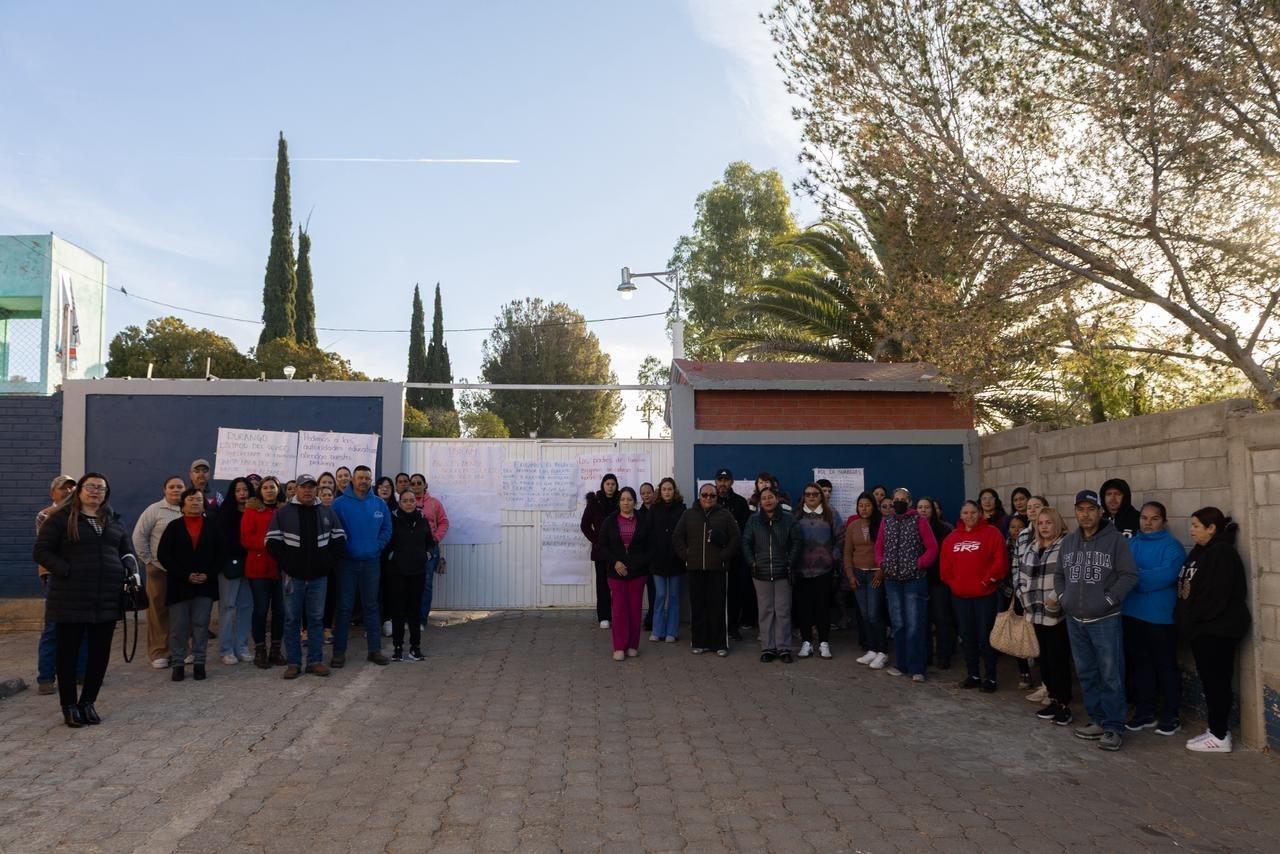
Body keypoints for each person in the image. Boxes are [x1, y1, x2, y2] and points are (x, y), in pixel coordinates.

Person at [32, 473, 133, 727]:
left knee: (99, 655)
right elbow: (41, 551)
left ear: (106, 493)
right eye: (90, 487)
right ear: (79, 491)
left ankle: (88, 702)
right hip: (70, 598)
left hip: (106, 598)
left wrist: (130, 568)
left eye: (101, 488)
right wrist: (67, 570)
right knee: (67, 654)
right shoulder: (61, 519)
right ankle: (69, 706)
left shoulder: (113, 520)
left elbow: (126, 550)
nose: (95, 491)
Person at [1056, 489, 1138, 752]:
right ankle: (1098, 720)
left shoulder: (1115, 540)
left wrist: (1108, 600)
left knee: (1111, 675)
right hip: (1075, 619)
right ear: (1075, 512)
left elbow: (1129, 575)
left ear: (1100, 512)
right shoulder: (1069, 542)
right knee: (1086, 673)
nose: (1086, 514)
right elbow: (1059, 574)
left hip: (1105, 620)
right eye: (1081, 509)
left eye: (1091, 509)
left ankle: (1114, 727)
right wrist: (1063, 597)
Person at [1177, 507, 1251, 753]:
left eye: (1196, 526)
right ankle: (1216, 730)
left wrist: (1194, 620)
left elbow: (1216, 596)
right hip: (1203, 630)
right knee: (1210, 682)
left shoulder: (1222, 553)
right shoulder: (1202, 550)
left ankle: (1220, 736)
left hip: (1217, 631)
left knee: (1217, 682)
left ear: (1211, 529)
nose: (1191, 530)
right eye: (1192, 525)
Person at [266, 474, 346, 679]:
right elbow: (271, 542)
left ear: (316, 489)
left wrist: (327, 562)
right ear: (297, 489)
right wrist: (287, 563)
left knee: (316, 619)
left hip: (319, 577)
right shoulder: (283, 513)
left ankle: (315, 661)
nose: (307, 491)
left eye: (311, 487)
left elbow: (340, 539)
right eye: (304, 487)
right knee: (292, 619)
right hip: (293, 577)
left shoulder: (326, 511)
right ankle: (293, 663)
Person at [1123, 501, 1187, 736]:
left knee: (1166, 667)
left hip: (1160, 618)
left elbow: (1165, 576)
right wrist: (1138, 577)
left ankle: (1171, 715)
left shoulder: (1173, 547)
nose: (1148, 523)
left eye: (1154, 518)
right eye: (1144, 518)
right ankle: (1145, 712)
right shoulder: (1131, 544)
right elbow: (1121, 573)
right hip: (1131, 614)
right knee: (1141, 666)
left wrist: (1135, 577)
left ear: (1164, 521)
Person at [1014, 507, 1074, 726]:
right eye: (1040, 523)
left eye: (1049, 522)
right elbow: (1020, 574)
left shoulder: (1066, 546)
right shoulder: (1032, 547)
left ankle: (1063, 704)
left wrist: (1054, 598)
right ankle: (1052, 698)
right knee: (1045, 661)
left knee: (1058, 660)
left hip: (1056, 614)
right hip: (1034, 612)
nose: (1044, 527)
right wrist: (1022, 594)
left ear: (1057, 523)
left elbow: (1069, 576)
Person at [941, 500, 1008, 692]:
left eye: (973, 512)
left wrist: (986, 581)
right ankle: (973, 674)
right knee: (967, 635)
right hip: (961, 597)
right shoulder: (951, 538)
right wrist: (955, 585)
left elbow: (1000, 562)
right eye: (965, 513)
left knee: (985, 636)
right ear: (960, 515)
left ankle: (991, 677)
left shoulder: (992, 533)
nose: (969, 516)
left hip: (985, 596)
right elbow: (945, 568)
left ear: (979, 513)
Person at [158, 488, 224, 682]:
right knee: (178, 626)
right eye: (191, 499)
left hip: (205, 584)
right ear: (183, 504)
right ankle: (178, 663)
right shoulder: (174, 526)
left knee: (201, 625)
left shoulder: (213, 526)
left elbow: (221, 554)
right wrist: (185, 575)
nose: (195, 502)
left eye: (199, 500)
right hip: (179, 584)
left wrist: (207, 574)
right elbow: (164, 555)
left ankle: (199, 663)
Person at [330, 465, 392, 667]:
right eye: (360, 478)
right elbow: (333, 531)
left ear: (370, 480)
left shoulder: (379, 504)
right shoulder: (338, 504)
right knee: (344, 608)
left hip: (371, 563)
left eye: (367, 478)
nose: (364, 481)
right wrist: (345, 549)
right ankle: (338, 653)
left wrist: (377, 546)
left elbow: (387, 529)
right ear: (352, 480)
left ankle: (374, 651)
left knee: (371, 607)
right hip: (346, 564)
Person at [875, 488, 938, 681]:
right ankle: (901, 664)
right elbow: (878, 547)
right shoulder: (886, 522)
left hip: (914, 580)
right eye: (896, 499)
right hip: (892, 581)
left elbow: (932, 548)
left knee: (914, 624)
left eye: (903, 499)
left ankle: (917, 668)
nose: (898, 502)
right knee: (898, 624)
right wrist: (882, 563)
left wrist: (919, 564)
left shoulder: (919, 521)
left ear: (910, 502)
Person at [673, 484, 740, 656]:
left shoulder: (725, 515)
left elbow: (736, 538)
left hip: (717, 569)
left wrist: (724, 556)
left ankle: (719, 644)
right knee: (698, 607)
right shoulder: (688, 514)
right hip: (695, 568)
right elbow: (677, 537)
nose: (708, 498)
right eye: (705, 495)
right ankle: (699, 642)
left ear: (717, 497)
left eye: (712, 495)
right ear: (699, 496)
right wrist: (687, 556)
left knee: (717, 607)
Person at [36, 475, 84, 694]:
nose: (68, 491)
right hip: (56, 576)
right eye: (63, 488)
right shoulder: (46, 515)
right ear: (52, 493)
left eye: (72, 488)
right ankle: (46, 677)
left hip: (81, 577)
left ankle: (81, 672)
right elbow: (47, 548)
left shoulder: (83, 514)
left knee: (83, 625)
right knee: (53, 627)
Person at [132, 475, 186, 669]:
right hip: (159, 570)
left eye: (179, 487)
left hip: (183, 572)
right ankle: (159, 651)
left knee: (182, 612)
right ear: (165, 490)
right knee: (158, 611)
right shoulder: (154, 510)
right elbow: (139, 536)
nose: (176, 490)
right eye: (172, 487)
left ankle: (182, 649)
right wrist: (148, 561)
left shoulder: (189, 509)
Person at [743, 487, 802, 663]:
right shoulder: (753, 520)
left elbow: (797, 542)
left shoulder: (788, 519)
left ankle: (784, 648)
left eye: (770, 497)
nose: (767, 500)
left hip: (783, 571)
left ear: (777, 499)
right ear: (760, 502)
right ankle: (768, 648)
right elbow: (746, 542)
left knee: (783, 611)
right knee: (765, 610)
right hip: (760, 572)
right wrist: (752, 562)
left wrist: (790, 562)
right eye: (764, 498)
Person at [598, 486, 652, 660]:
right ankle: (619, 647)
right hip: (616, 573)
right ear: (618, 502)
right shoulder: (610, 521)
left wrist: (636, 563)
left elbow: (650, 547)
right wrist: (615, 562)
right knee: (619, 610)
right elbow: (602, 545)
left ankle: (632, 645)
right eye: (622, 499)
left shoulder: (643, 520)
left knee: (635, 610)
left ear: (634, 502)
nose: (626, 502)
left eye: (629, 499)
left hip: (638, 573)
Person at [793, 483, 842, 660]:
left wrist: (833, 557)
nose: (811, 497)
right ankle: (806, 642)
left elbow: (841, 538)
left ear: (821, 495)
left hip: (824, 570)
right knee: (804, 607)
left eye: (815, 494)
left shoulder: (831, 514)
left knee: (823, 607)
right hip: (802, 570)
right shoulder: (796, 515)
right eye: (808, 494)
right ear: (804, 497)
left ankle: (823, 643)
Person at [384, 491, 436, 661]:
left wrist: (427, 555)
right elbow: (386, 542)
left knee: (414, 611)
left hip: (417, 572)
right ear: (400, 503)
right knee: (398, 612)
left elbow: (430, 542)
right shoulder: (392, 520)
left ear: (416, 502)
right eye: (405, 501)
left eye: (411, 500)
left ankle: (415, 648)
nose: (408, 503)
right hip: (397, 573)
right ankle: (398, 648)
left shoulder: (422, 520)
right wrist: (393, 556)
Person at [241, 476, 286, 668]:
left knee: (280, 611)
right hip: (259, 568)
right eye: (265, 487)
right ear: (260, 491)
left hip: (281, 567)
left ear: (278, 490)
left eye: (272, 487)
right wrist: (269, 543)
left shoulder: (284, 510)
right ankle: (260, 650)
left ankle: (276, 649)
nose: (269, 490)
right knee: (260, 610)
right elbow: (246, 539)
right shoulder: (251, 511)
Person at [844, 492, 887, 668]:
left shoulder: (882, 524)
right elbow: (847, 552)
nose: (864, 508)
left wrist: (882, 572)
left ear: (873, 507)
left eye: (867, 505)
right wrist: (850, 575)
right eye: (861, 505)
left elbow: (887, 550)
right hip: (858, 575)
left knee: (874, 614)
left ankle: (882, 652)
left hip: (875, 575)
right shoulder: (852, 526)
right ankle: (871, 649)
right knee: (865, 615)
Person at [216, 477, 254, 666]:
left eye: (245, 489)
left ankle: (242, 646)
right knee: (228, 607)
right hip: (230, 566)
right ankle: (226, 649)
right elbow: (222, 540)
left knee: (246, 606)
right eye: (238, 490)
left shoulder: (255, 512)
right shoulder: (225, 513)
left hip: (251, 565)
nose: (242, 493)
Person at [715, 468, 755, 641]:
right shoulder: (710, 499)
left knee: (734, 594)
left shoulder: (740, 502)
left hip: (735, 556)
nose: (723, 483)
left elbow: (744, 530)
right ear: (716, 481)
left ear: (731, 482)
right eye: (720, 480)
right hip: (714, 556)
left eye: (726, 480)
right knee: (716, 593)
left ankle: (732, 627)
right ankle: (717, 628)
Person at [917, 496, 955, 670]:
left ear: (933, 510)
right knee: (922, 620)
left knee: (941, 619)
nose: (923, 510)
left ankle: (943, 655)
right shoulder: (913, 528)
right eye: (920, 507)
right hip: (918, 580)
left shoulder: (944, 529)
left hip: (939, 581)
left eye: (927, 507)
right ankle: (926, 656)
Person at [647, 478, 686, 643]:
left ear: (674, 491)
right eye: (664, 489)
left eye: (670, 489)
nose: (667, 492)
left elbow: (685, 533)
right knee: (661, 595)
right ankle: (657, 630)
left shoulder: (682, 509)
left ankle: (672, 631)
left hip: (676, 560)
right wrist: (651, 553)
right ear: (660, 491)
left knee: (674, 596)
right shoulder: (654, 509)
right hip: (658, 559)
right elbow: (647, 532)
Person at [580, 473, 620, 629]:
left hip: (618, 551)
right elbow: (585, 525)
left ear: (616, 486)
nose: (610, 487)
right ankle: (604, 617)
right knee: (602, 585)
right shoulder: (594, 502)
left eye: (613, 484)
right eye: (607, 484)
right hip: (601, 551)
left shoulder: (621, 500)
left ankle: (618, 615)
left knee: (618, 584)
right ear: (603, 485)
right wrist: (596, 541)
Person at [410, 473, 450, 629]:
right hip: (410, 548)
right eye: (413, 483)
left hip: (429, 548)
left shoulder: (434, 503)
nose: (416, 486)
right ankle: (409, 617)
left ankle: (421, 620)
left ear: (425, 485)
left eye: (419, 483)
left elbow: (444, 522)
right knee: (409, 583)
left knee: (426, 584)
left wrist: (436, 538)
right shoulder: (406, 502)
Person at [1002, 512, 1034, 688]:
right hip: (1011, 594)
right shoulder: (1004, 546)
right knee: (1018, 634)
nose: (1016, 530)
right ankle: (1024, 672)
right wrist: (1009, 591)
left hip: (1030, 594)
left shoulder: (1032, 545)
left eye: (1020, 527)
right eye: (1012, 527)